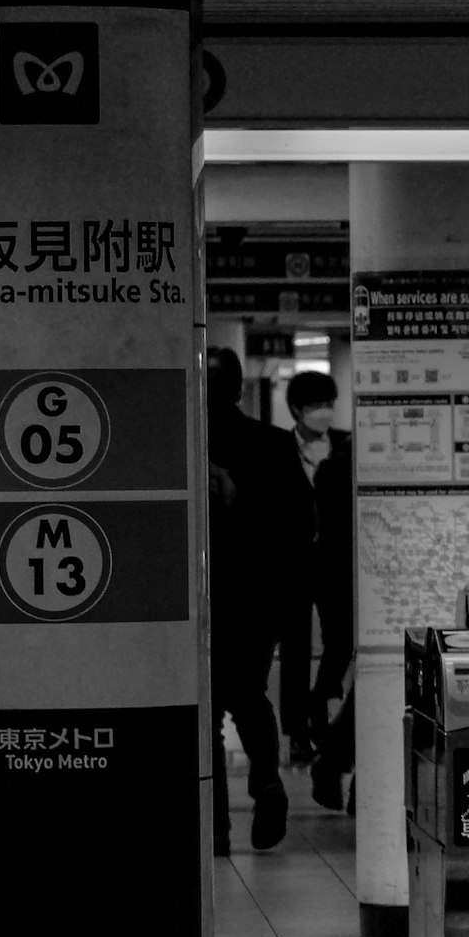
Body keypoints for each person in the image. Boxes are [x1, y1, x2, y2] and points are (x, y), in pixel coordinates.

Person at [205, 349, 308, 854]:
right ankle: (266, 780)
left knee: (205, 709)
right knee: (249, 695)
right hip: (257, 596)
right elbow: (300, 524)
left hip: (197, 599)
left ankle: (216, 829)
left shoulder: (174, 442)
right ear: (240, 389)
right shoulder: (271, 443)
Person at [279, 369, 358, 811]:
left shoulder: (347, 446)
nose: (324, 412)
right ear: (296, 410)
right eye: (314, 405)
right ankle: (298, 731)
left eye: (329, 401)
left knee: (338, 642)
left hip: (332, 563)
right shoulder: (278, 447)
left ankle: (319, 709)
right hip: (293, 561)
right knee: (293, 643)